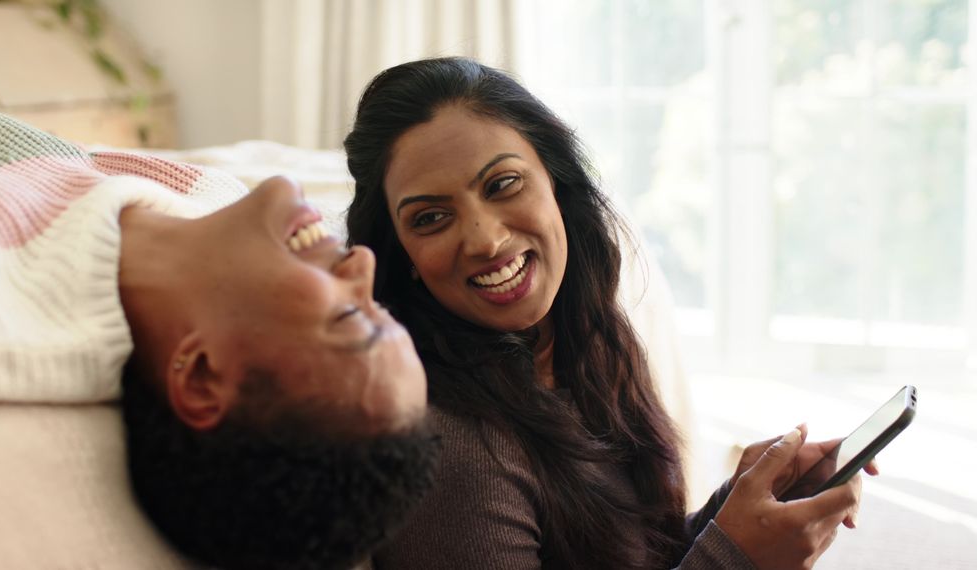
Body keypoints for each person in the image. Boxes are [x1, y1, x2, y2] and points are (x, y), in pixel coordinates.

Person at [344, 57, 871, 569]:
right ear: (402, 255)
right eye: (432, 218)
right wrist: (739, 558)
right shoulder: (454, 453)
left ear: (556, 181)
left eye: (502, 185)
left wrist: (732, 515)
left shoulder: (591, 340)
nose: (487, 239)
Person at [0, 107, 439, 570]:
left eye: (350, 318)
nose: (362, 264)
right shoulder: (212, 201)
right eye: (380, 307)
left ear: (202, 376)